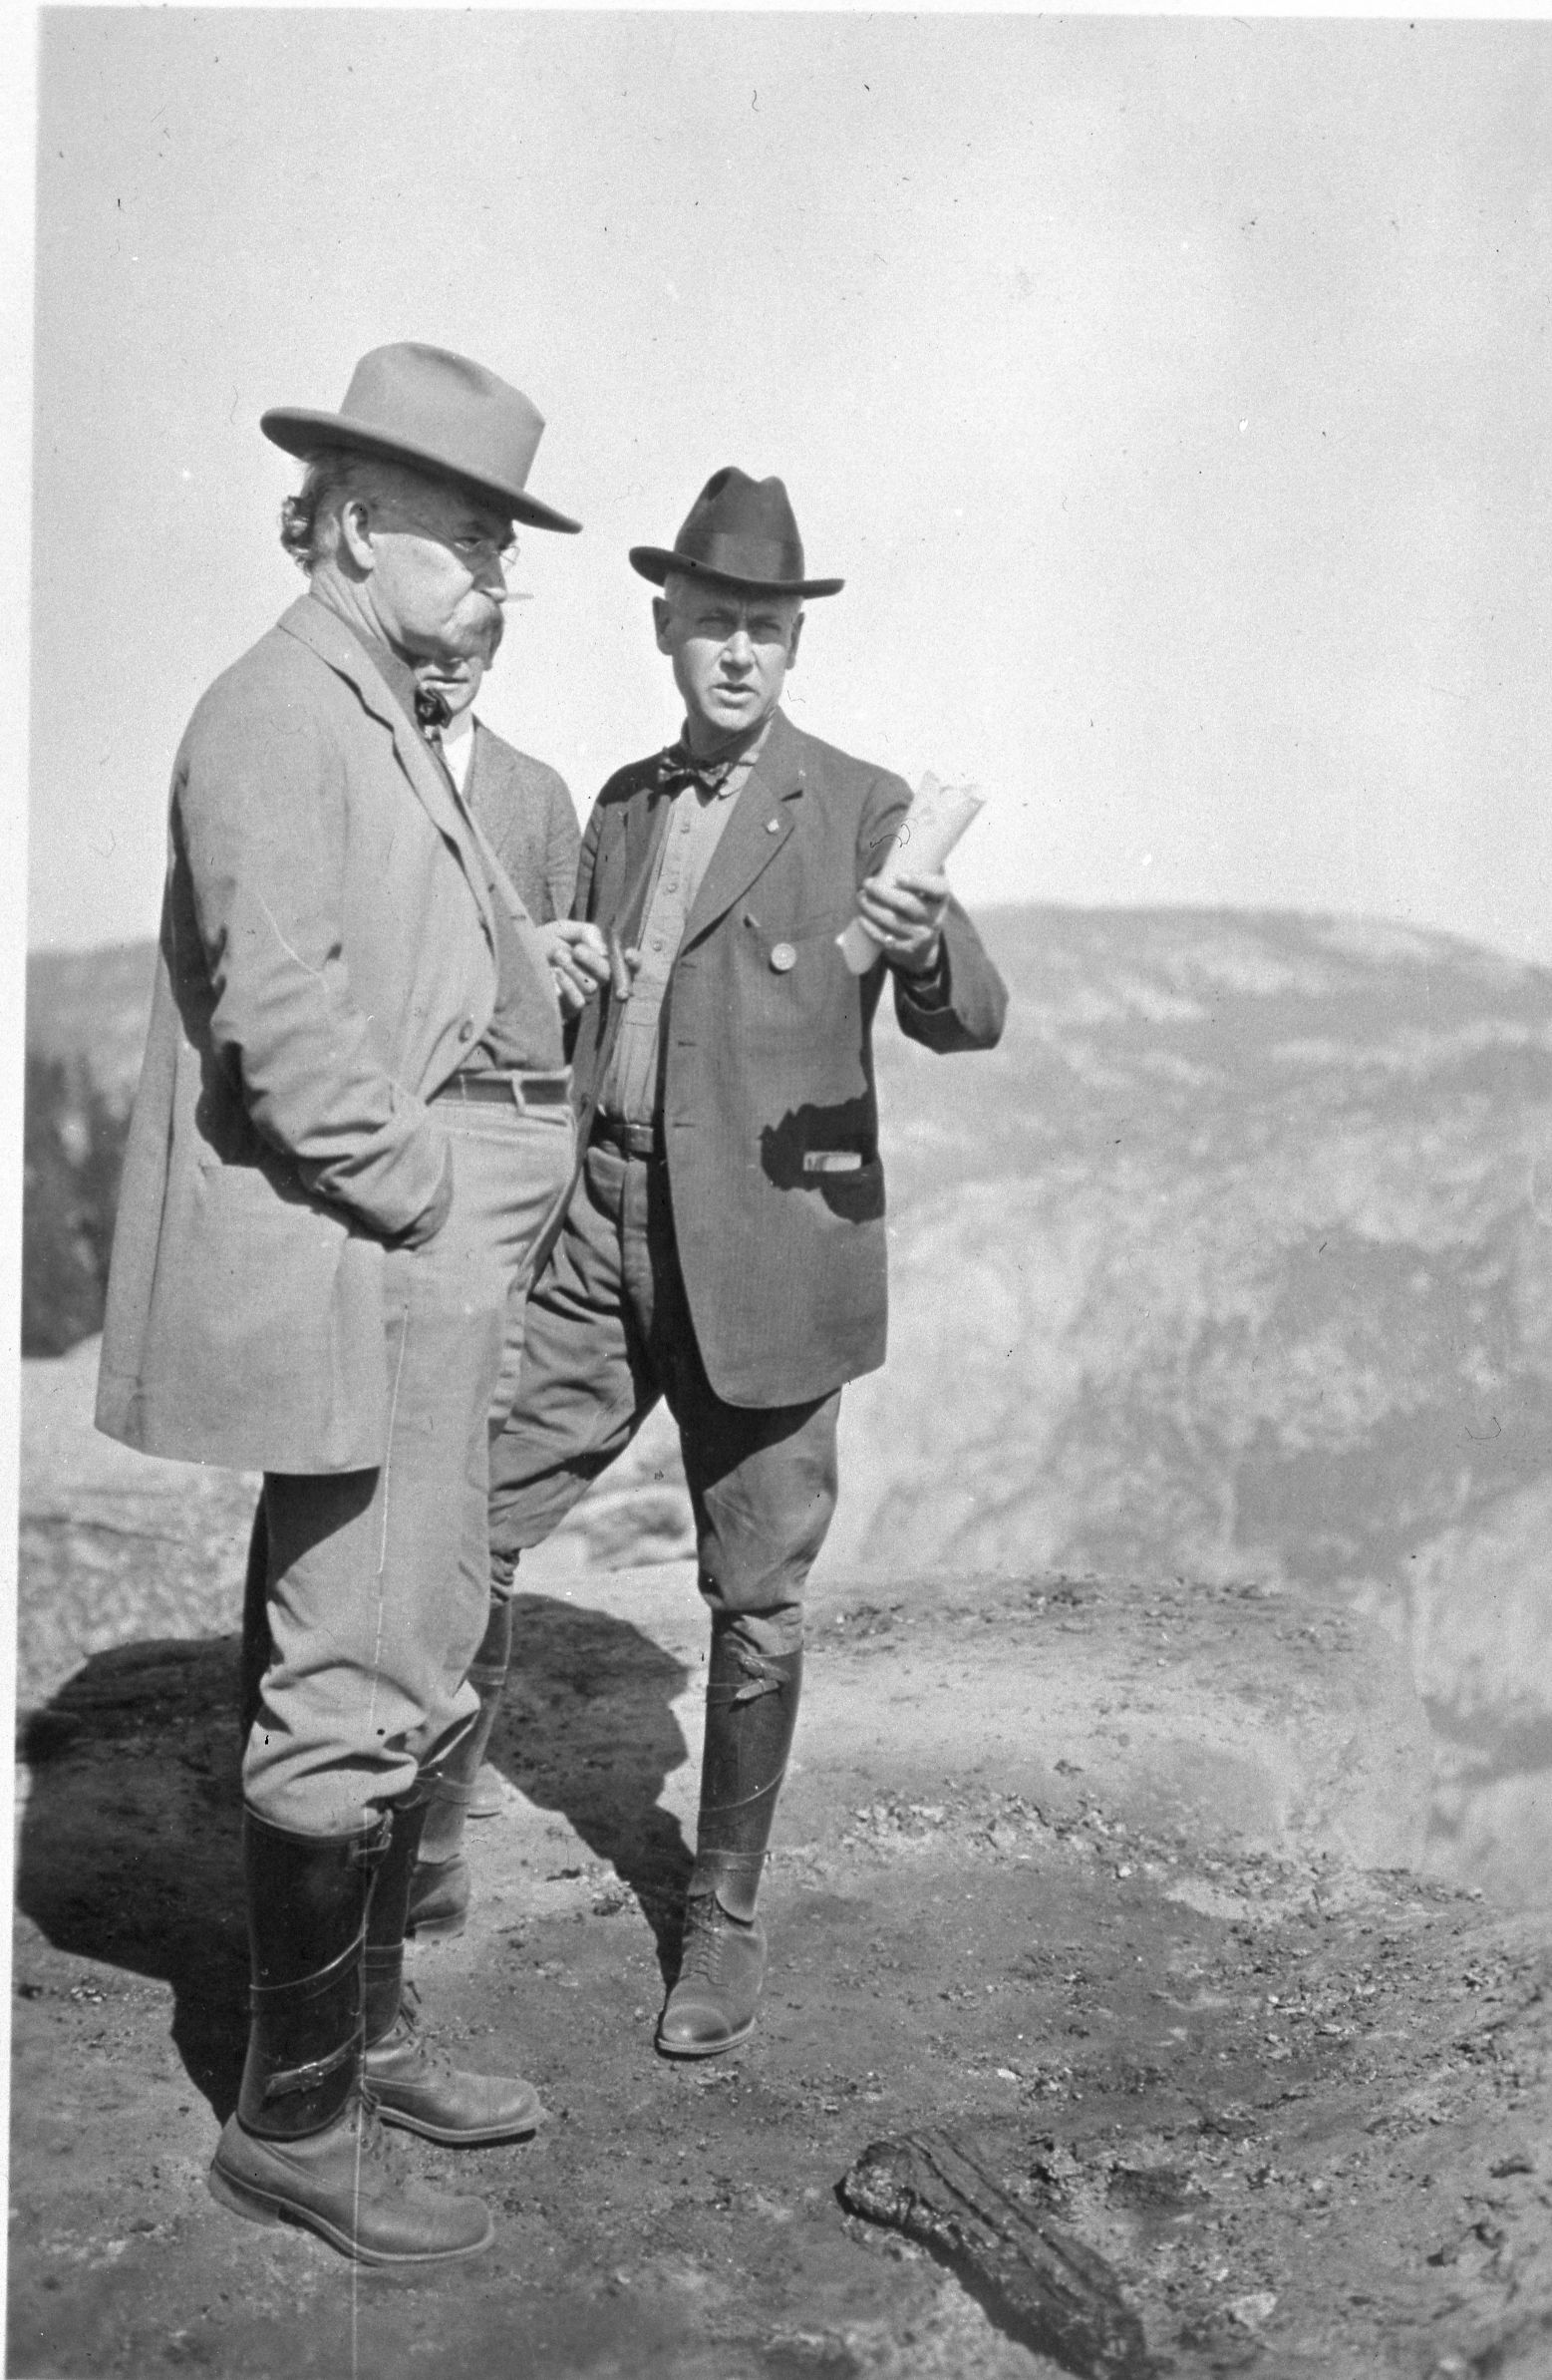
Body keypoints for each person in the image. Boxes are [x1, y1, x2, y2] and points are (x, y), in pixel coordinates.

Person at [95, 342, 604, 2265]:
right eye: (474, 537)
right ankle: (289, 2118)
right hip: (361, 1271)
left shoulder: (369, 704)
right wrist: (424, 1203)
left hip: (411, 1273)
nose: (493, 579)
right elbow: (287, 1023)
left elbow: (420, 960)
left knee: (422, 1639)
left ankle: (365, 2032)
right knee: (354, 1670)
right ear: (368, 525)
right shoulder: (277, 712)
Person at [442, 466, 1008, 2056]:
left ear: (792, 644)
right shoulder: (620, 809)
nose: (739, 653)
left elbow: (971, 1011)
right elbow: (556, 1011)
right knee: (466, 1510)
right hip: (597, 1231)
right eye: (714, 623)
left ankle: (724, 1917)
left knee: (753, 1597)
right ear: (665, 625)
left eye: (765, 627)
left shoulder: (861, 806)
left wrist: (924, 940)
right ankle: (421, 1843)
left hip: (765, 1257)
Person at [414, 609, 580, 926]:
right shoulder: (364, 764)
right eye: (431, 637)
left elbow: (565, 951)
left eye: (470, 635)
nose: (450, 658)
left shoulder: (542, 791)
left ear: (491, 648)